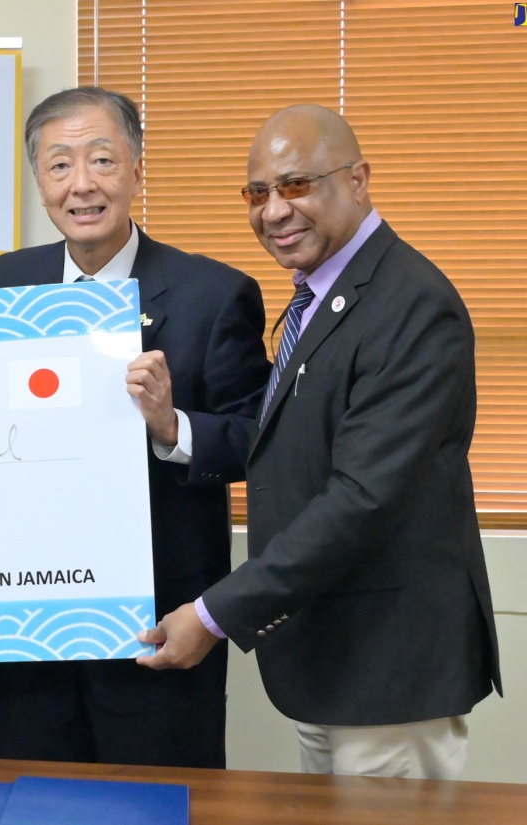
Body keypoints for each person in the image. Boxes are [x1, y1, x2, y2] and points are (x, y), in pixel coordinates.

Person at [138, 104, 502, 780]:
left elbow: (362, 499)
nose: (273, 210)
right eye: (257, 192)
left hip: (390, 673)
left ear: (359, 179)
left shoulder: (412, 304)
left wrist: (214, 614)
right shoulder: (320, 298)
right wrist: (171, 427)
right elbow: (290, 450)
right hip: (331, 662)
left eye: (297, 184)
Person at [0, 87, 270, 767]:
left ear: (137, 170)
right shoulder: (4, 282)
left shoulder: (212, 293)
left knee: (155, 804)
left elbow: (261, 436)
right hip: (31, 631)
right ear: (40, 182)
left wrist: (172, 426)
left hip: (154, 632)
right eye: (59, 165)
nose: (82, 183)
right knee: (32, 804)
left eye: (102, 160)